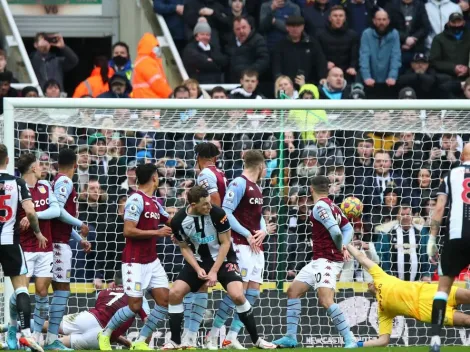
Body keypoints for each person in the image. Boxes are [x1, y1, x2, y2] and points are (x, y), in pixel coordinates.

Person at [165, 186, 276, 350]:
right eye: (205, 205)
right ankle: (175, 341)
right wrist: (197, 269)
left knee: (238, 295)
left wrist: (214, 271)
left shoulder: (218, 214)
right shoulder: (178, 221)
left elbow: (225, 243)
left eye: (210, 203)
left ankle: (257, 340)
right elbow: (184, 247)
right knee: (174, 293)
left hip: (224, 260)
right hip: (199, 262)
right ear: (193, 204)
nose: (209, 207)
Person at [273, 175, 356, 348]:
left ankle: (350, 339)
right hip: (319, 260)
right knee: (293, 291)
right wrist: (345, 246)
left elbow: (337, 232)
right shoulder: (334, 206)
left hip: (328, 260)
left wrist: (341, 246)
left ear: (311, 189)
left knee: (326, 300)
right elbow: (348, 228)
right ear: (328, 188)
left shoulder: (320, 207)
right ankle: (290, 337)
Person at [98, 163, 173, 351]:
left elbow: (171, 221)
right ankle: (105, 333)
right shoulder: (135, 200)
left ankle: (140, 341)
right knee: (134, 306)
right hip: (134, 261)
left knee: (164, 302)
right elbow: (128, 231)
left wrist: (192, 213)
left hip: (152, 260)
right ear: (154, 177)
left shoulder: (155, 202)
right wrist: (157, 233)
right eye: (158, 175)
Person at [346, 243, 470, 347]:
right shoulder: (382, 311)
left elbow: (361, 257)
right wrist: (359, 344)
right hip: (426, 311)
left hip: (428, 292)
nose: (369, 284)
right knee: (466, 321)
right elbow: (383, 341)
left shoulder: (380, 276)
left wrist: (346, 245)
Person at [205, 150, 268, 349]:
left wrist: (264, 231)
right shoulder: (238, 184)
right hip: (241, 244)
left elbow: (259, 216)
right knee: (236, 293)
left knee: (253, 292)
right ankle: (212, 336)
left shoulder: (257, 187)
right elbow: (227, 212)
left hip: (257, 247)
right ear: (260, 167)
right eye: (265, 167)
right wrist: (248, 234)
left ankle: (231, 337)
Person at [0, 144, 44, 352]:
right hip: (10, 242)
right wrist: (36, 231)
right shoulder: (17, 182)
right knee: (21, 288)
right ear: (7, 161)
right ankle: (26, 335)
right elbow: (30, 212)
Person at [46, 148, 91, 350]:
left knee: (58, 289)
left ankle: (46, 336)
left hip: (61, 240)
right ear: (75, 165)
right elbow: (58, 212)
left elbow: (60, 217)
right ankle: (51, 339)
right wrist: (80, 223)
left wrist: (78, 238)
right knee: (61, 289)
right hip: (56, 244)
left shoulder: (58, 180)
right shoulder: (65, 181)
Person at [13, 154, 60, 346]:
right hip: (24, 247)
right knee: (20, 292)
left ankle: (37, 337)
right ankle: (12, 329)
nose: (43, 168)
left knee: (42, 291)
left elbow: (56, 211)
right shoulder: (16, 189)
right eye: (40, 165)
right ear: (33, 168)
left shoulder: (45, 186)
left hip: (45, 247)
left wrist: (34, 214)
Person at [427, 143, 470, 352]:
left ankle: (435, 338)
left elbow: (440, 207)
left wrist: (431, 239)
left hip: (455, 239)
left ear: (462, 156)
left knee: (443, 289)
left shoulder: (450, 175)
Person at [42, 272, 148, 350]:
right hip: (100, 337)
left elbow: (105, 317)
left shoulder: (102, 292)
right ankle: (38, 345)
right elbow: (147, 321)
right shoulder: (136, 297)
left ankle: (27, 332)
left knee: (50, 325)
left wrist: (123, 340)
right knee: (59, 344)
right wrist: (142, 343)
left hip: (90, 318)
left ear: (114, 282)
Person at [132, 33, 172, 99]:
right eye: (157, 46)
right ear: (151, 45)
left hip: (146, 100)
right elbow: (156, 82)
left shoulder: (142, 60)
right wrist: (170, 94)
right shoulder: (146, 61)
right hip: (150, 101)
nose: (158, 49)